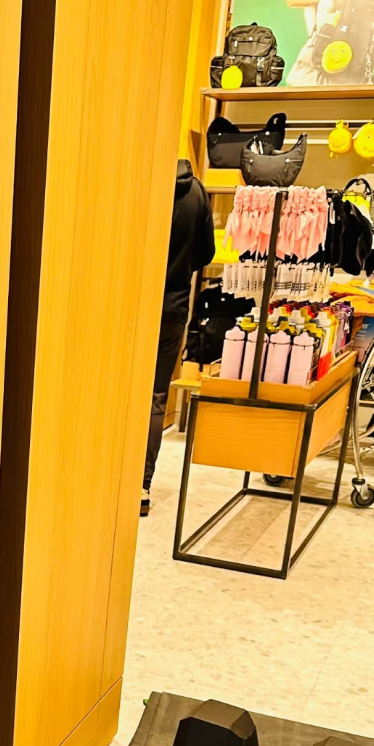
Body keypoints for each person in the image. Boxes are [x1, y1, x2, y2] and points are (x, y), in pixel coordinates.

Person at [142, 160, 215, 517]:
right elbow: (206, 254)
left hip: (130, 304)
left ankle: (106, 476)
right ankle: (141, 486)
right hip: (172, 306)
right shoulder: (196, 191)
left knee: (115, 392)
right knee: (155, 397)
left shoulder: (139, 183)